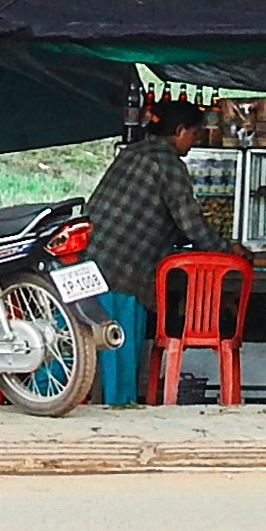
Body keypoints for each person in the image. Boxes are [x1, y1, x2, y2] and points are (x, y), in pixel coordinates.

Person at [83, 98, 209, 404]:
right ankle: (117, 403)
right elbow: (190, 221)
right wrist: (224, 250)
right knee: (117, 340)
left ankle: (65, 397)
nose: (194, 141)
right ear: (180, 131)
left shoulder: (133, 152)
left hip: (89, 256)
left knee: (82, 338)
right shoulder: (169, 163)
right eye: (194, 134)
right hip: (123, 267)